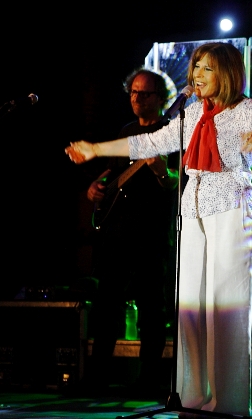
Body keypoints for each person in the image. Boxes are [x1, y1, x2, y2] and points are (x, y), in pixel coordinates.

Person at [66, 42, 252, 417]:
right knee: (191, 306)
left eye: (207, 69)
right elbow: (150, 141)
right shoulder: (192, 113)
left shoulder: (244, 109)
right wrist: (96, 149)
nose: (197, 75)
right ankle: (193, 397)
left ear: (226, 73)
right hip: (192, 207)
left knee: (225, 304)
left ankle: (228, 402)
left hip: (230, 204)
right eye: (196, 68)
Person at [80, 68, 179, 397]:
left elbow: (176, 183)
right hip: (117, 232)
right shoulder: (127, 131)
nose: (136, 99)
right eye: (133, 92)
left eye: (144, 93)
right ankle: (97, 378)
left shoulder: (170, 133)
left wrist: (162, 173)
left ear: (161, 98)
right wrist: (96, 186)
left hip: (151, 233)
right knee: (107, 306)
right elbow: (112, 173)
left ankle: (148, 381)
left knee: (151, 309)